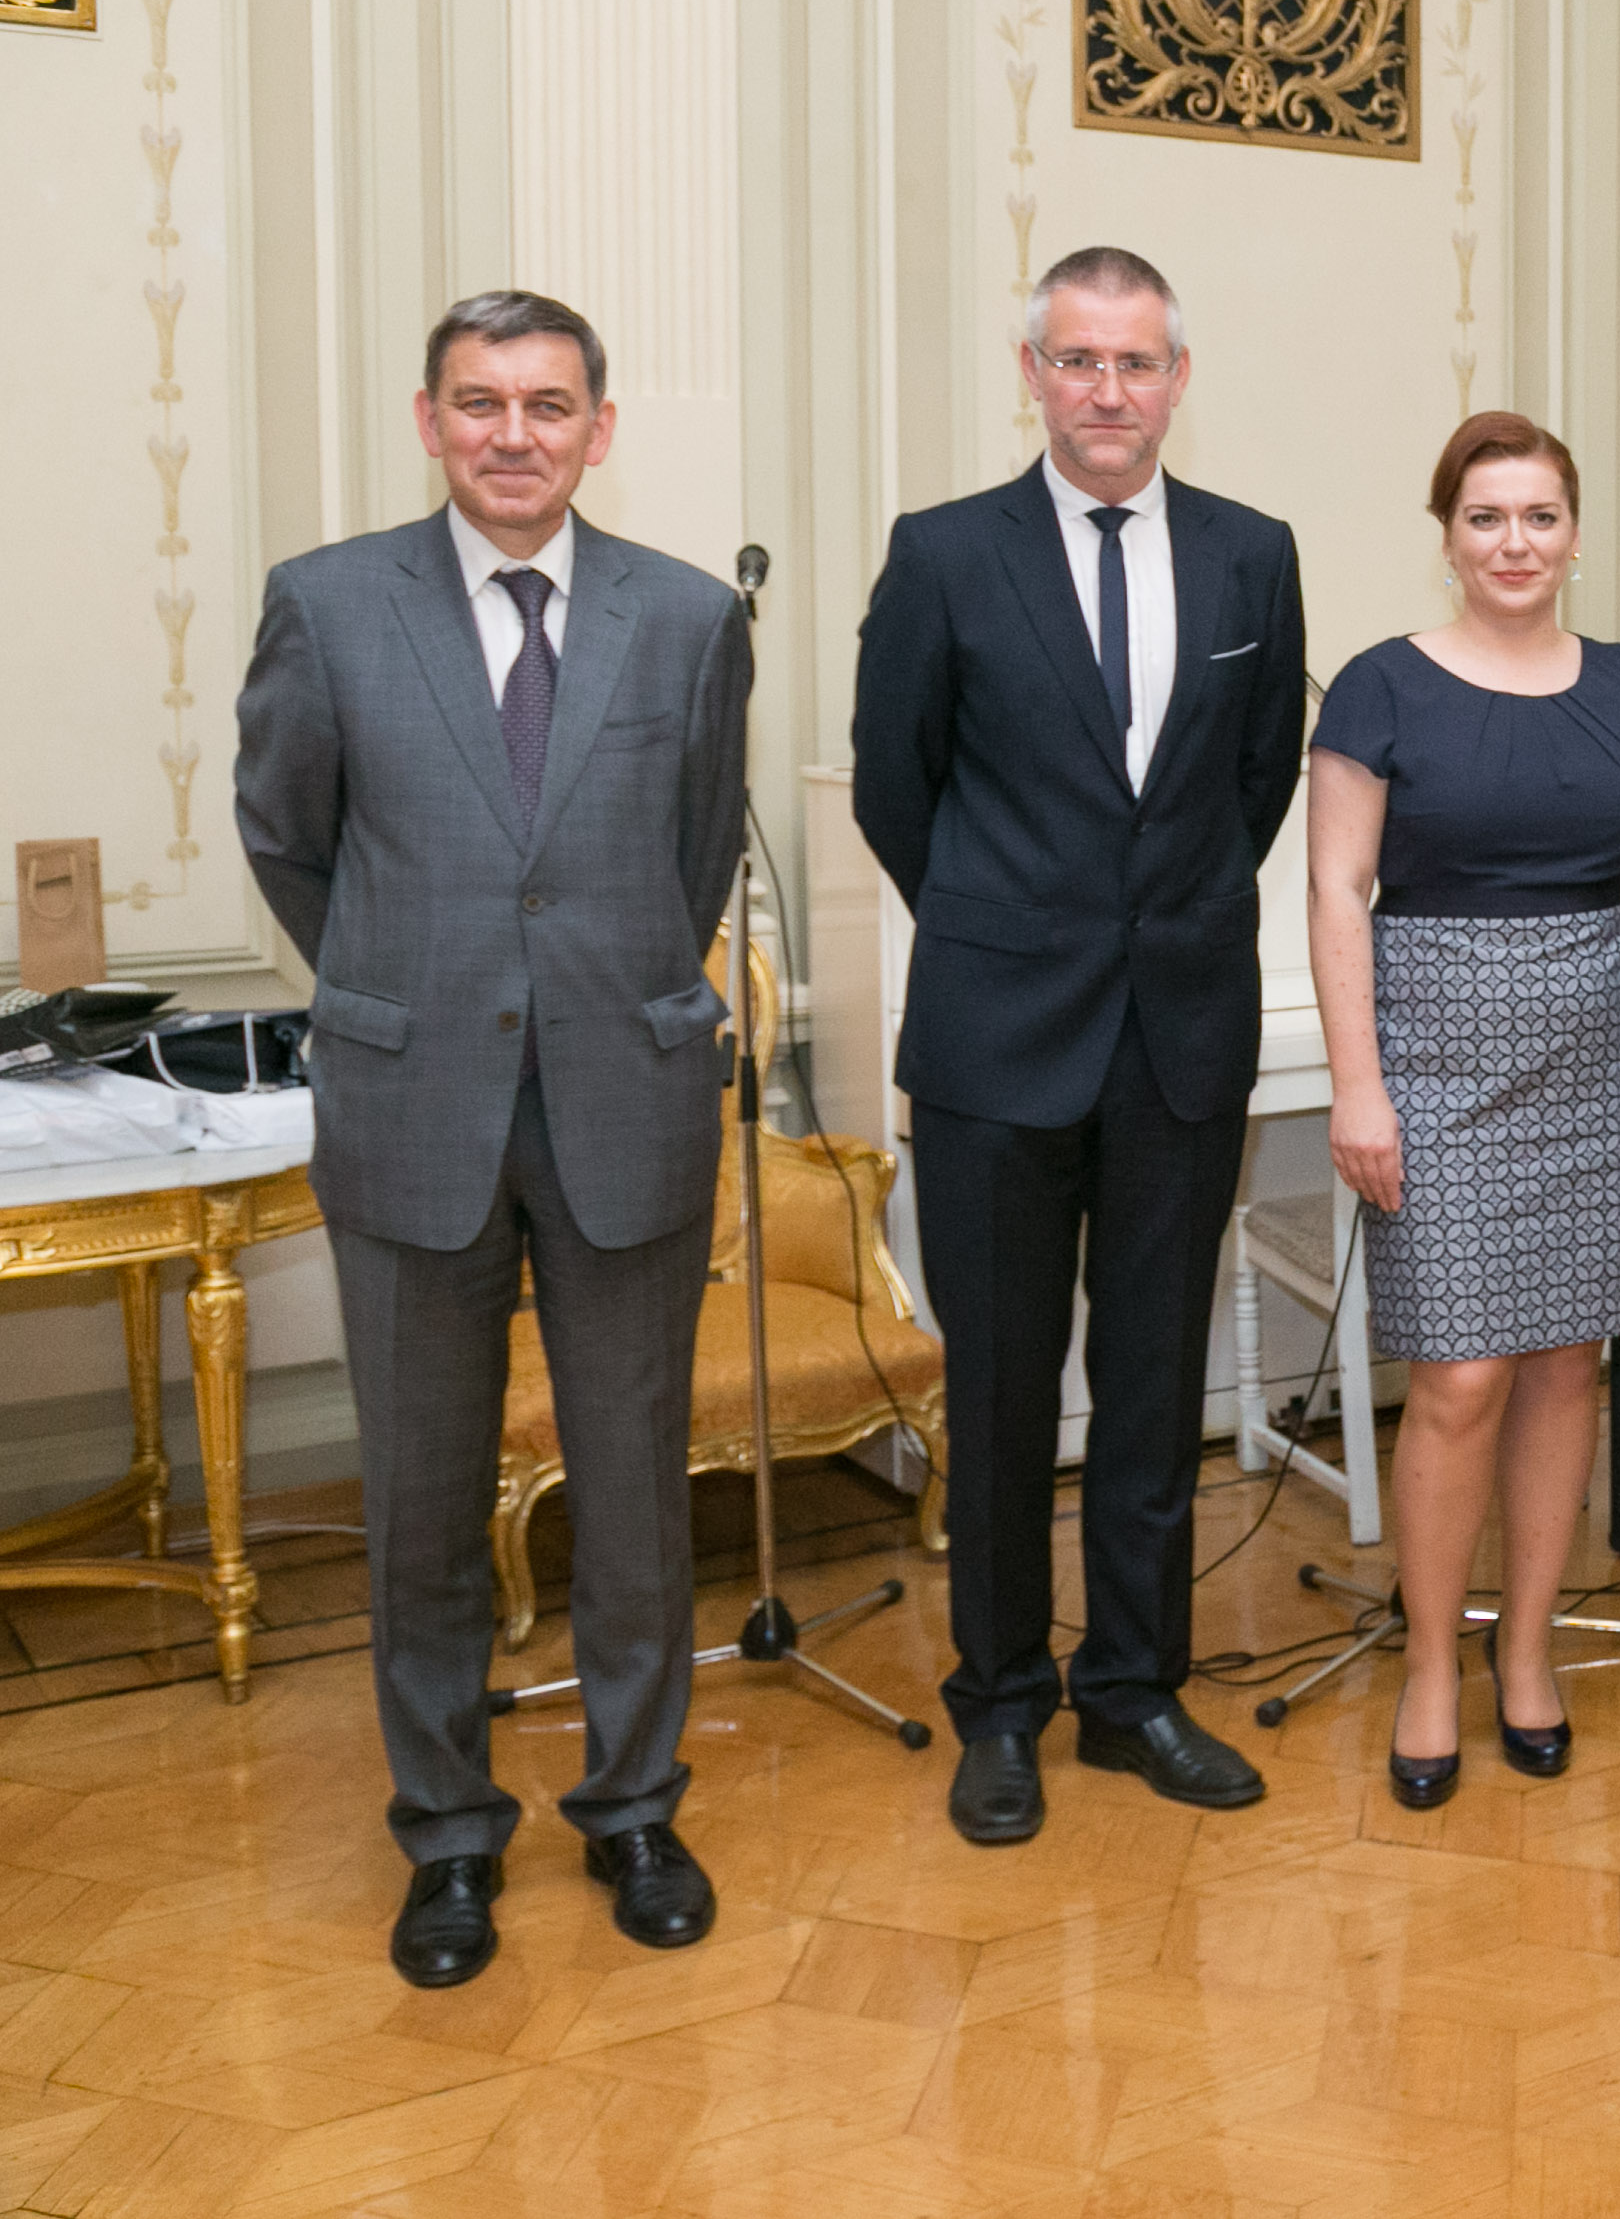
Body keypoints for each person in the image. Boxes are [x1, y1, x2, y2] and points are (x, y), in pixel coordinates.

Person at [234, 290, 750, 1986]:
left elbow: (691, 861)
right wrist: (417, 980)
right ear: (428, 419)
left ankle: (634, 1807)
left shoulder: (683, 618)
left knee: (633, 1493)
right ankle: (447, 1837)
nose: (512, 435)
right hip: (413, 1102)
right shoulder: (326, 606)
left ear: (600, 427)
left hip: (628, 1098)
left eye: (546, 405)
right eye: (480, 403)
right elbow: (290, 840)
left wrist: (586, 981)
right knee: (423, 1503)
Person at [850, 244, 1309, 1843]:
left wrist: (1143, 926)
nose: (1107, 392)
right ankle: (998, 1705)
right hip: (994, 1046)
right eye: (1077, 362)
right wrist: (1004, 920)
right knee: (997, 1399)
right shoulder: (943, 555)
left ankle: (1132, 1693)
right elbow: (891, 789)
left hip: (1178, 1039)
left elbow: (1252, 790)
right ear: (1031, 373)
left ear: (1178, 378)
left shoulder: (1255, 559)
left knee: (1150, 1387)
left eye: (1136, 364)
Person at [1309, 412, 1620, 1808]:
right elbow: (1332, 893)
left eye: (1539, 515)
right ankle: (1431, 1662)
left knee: (1563, 1367)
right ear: (1447, 539)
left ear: (1575, 534)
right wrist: (1357, 1083)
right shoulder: (1378, 688)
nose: (1515, 542)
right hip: (1430, 1056)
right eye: (1487, 518)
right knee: (1462, 1375)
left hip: (1598, 1050)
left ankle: (1525, 1653)